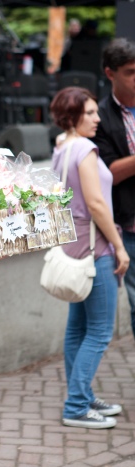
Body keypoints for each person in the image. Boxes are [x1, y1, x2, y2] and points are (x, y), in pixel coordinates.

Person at [50, 86, 129, 429]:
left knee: (78, 328)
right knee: (99, 331)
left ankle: (80, 395)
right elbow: (97, 204)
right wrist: (120, 247)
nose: (98, 119)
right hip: (95, 247)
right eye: (91, 113)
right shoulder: (85, 149)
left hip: (73, 243)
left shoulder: (62, 146)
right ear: (73, 115)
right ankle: (77, 406)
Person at [94, 38, 135, 340]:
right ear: (111, 73)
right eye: (131, 72)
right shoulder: (99, 116)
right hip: (130, 225)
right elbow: (109, 173)